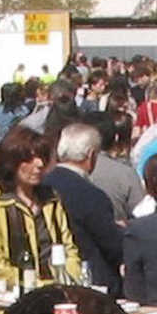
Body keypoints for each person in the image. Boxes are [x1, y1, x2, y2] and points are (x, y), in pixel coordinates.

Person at [0, 126, 78, 285]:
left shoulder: (51, 199)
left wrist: (68, 278)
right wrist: (36, 284)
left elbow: (69, 249)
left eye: (42, 157)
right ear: (11, 162)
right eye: (29, 158)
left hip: (58, 289)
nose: (39, 164)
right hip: (17, 291)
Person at [45, 120, 128, 290]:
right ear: (91, 155)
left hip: (49, 273)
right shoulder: (91, 195)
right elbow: (113, 246)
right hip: (89, 280)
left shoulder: (42, 185)